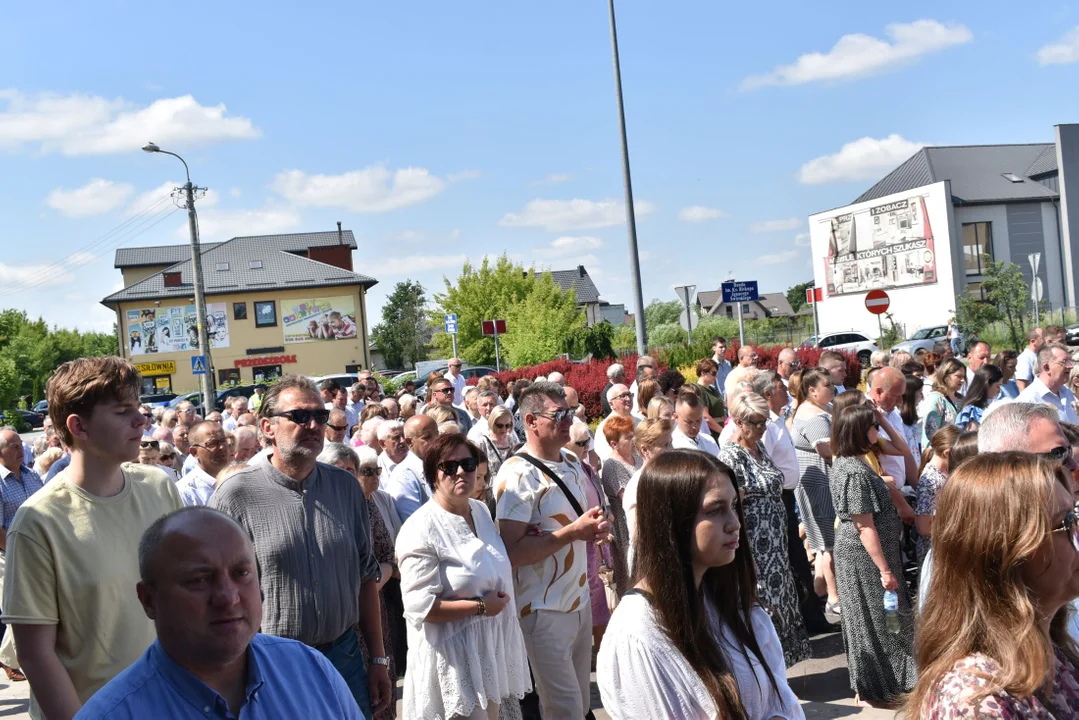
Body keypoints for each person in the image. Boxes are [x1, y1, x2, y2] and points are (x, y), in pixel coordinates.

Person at [2, 357, 183, 719]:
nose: (141, 420)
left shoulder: (159, 487)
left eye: (138, 408)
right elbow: (36, 654)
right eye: (122, 411)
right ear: (78, 426)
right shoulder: (39, 521)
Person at [208, 375, 392, 717]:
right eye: (299, 416)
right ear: (267, 426)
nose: (312, 425)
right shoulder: (235, 493)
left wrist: (378, 658)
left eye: (320, 417)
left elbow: (367, 577)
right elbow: (217, 593)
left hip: (344, 657)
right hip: (269, 664)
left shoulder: (346, 488)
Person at [75, 506, 364, 719]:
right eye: (199, 580)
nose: (228, 597)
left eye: (241, 573)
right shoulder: (111, 714)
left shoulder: (310, 670)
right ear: (149, 600)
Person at [597, 450, 803, 718]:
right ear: (672, 520)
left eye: (734, 506)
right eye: (715, 510)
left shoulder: (723, 600)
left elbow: (777, 700)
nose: (734, 523)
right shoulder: (637, 632)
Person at [905, 453, 1079, 717]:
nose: (1076, 534)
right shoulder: (977, 701)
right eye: (1065, 522)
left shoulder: (1046, 649)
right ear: (1006, 553)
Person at [494, 382, 611, 719]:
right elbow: (511, 550)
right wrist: (573, 532)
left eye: (569, 412)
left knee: (582, 705)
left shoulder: (573, 461)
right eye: (558, 414)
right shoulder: (517, 474)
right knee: (564, 709)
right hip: (542, 609)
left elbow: (581, 521)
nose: (568, 420)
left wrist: (595, 528)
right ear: (531, 421)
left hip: (578, 600)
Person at [398, 434, 531, 720]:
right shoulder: (419, 528)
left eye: (468, 464)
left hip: (489, 653)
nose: (461, 472)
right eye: (450, 466)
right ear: (434, 473)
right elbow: (419, 607)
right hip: (453, 663)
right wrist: (481, 607)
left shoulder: (481, 510)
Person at [829, 402, 916, 707]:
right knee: (879, 617)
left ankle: (889, 682)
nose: (877, 431)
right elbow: (864, 526)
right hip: (866, 560)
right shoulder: (852, 471)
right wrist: (885, 570)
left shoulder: (853, 462)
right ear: (858, 430)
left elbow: (901, 450)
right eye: (873, 426)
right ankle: (880, 685)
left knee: (884, 617)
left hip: (874, 557)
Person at [719, 393, 812, 667]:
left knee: (782, 607)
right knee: (762, 613)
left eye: (764, 423)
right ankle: (766, 677)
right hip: (755, 552)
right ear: (739, 422)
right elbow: (733, 507)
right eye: (756, 423)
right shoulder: (730, 456)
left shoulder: (760, 449)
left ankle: (780, 678)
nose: (762, 428)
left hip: (776, 550)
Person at [318, 443, 400, 720]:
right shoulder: (315, 510)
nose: (346, 478)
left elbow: (388, 557)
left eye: (351, 471)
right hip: (337, 623)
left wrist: (372, 583)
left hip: (371, 611)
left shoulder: (365, 506)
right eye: (338, 471)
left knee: (379, 691)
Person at [754, 372, 837, 636]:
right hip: (776, 499)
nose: (786, 393)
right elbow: (761, 463)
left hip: (787, 496)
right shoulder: (764, 425)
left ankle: (812, 615)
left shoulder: (778, 420)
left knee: (800, 560)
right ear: (767, 394)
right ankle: (802, 618)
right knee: (794, 559)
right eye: (780, 389)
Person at [790, 367, 840, 614]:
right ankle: (834, 598)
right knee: (828, 542)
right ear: (812, 390)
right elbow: (827, 451)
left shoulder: (822, 409)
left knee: (822, 543)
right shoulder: (813, 416)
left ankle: (819, 590)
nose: (832, 388)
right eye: (827, 385)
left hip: (822, 482)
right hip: (818, 484)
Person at [0, 426, 45, 681]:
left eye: (20, 444)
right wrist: (18, 550)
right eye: (13, 446)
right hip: (6, 555)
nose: (21, 450)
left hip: (35, 551)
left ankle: (8, 658)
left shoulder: (32, 476)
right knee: (14, 606)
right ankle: (15, 662)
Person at [564, 421, 613, 653]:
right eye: (581, 443)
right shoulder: (565, 472)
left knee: (600, 598)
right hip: (579, 544)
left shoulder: (586, 467)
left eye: (588, 442)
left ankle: (600, 652)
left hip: (597, 542)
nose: (586, 447)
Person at [600, 416, 638, 597]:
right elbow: (629, 497)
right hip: (625, 526)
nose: (634, 440)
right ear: (614, 444)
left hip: (642, 519)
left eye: (633, 435)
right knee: (631, 574)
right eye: (628, 438)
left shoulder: (637, 457)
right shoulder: (611, 465)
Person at [913, 424, 961, 565]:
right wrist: (955, 528)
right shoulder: (931, 481)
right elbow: (923, 526)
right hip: (933, 552)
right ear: (947, 453)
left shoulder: (942, 474)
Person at [385, 414, 440, 522]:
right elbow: (413, 522)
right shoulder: (404, 476)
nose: (436, 441)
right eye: (427, 437)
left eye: (437, 434)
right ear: (410, 442)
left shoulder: (439, 466)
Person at [1017, 343, 1079, 423]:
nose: (1071, 366)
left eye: (1070, 361)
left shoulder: (1066, 391)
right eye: (1064, 362)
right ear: (1046, 367)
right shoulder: (1028, 400)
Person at [177, 421, 231, 506]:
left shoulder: (235, 479)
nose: (222, 447)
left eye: (223, 441)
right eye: (212, 443)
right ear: (194, 452)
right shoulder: (186, 492)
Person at [922, 358, 967, 446]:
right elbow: (930, 436)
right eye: (959, 376)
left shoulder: (962, 400)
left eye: (964, 377)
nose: (963, 380)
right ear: (945, 376)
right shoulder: (935, 400)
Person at [595, 383, 640, 462]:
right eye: (622, 396)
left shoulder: (640, 422)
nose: (628, 399)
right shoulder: (604, 428)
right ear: (611, 404)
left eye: (629, 394)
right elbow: (607, 457)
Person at [671, 388, 720, 456]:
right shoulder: (673, 446)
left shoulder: (710, 441)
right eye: (689, 422)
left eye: (698, 420)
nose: (694, 426)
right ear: (676, 417)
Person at [473, 405, 516, 481]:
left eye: (507, 425)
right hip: (491, 490)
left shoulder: (513, 440)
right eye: (500, 426)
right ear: (492, 423)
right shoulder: (482, 443)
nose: (504, 429)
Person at [954, 364, 1004, 430]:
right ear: (988, 383)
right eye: (997, 386)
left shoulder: (986, 405)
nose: (999, 391)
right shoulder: (973, 411)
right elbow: (972, 436)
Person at [694, 358, 727, 437]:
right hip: (713, 434)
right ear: (703, 373)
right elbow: (706, 417)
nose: (716, 376)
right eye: (713, 373)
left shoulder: (711, 389)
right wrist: (724, 433)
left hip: (720, 431)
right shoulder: (699, 390)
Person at [899, 373, 924, 460]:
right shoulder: (898, 417)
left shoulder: (914, 415)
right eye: (920, 392)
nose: (922, 395)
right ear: (911, 394)